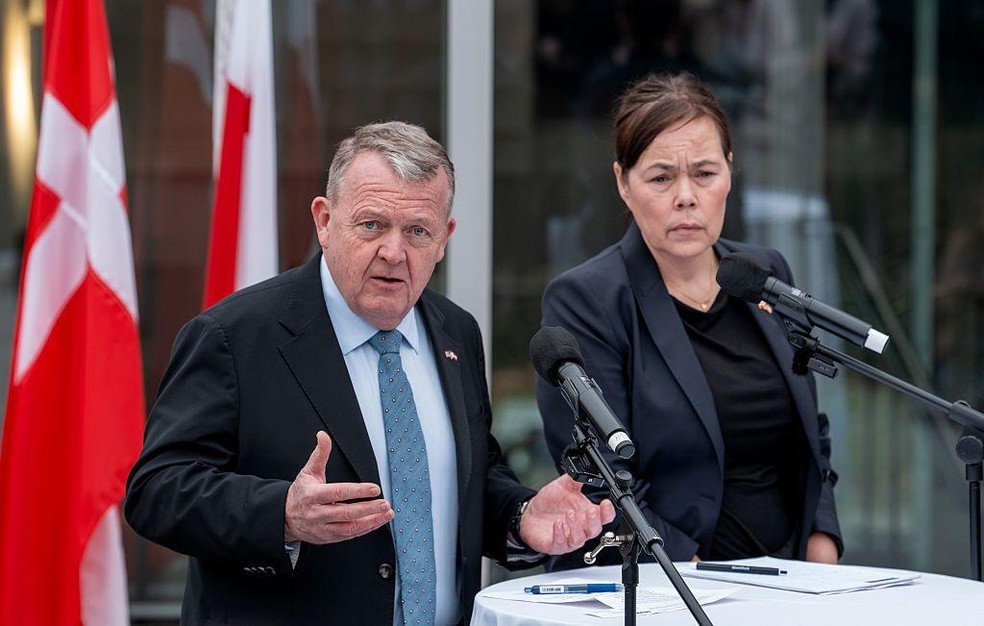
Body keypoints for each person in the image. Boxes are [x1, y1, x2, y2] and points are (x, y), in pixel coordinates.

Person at [125, 121, 615, 625]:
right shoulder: (234, 337)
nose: (393, 252)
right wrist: (282, 515)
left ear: (444, 238)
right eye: (371, 225)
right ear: (324, 220)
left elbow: (464, 478)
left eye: (417, 231)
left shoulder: (456, 332)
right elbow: (157, 491)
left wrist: (520, 515)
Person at [536, 72, 842, 569]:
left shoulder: (764, 275)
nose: (686, 196)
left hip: (794, 580)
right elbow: (601, 479)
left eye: (704, 173)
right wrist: (697, 576)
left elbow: (813, 436)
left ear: (729, 172)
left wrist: (821, 544)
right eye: (660, 178)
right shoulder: (586, 300)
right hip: (669, 586)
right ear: (623, 183)